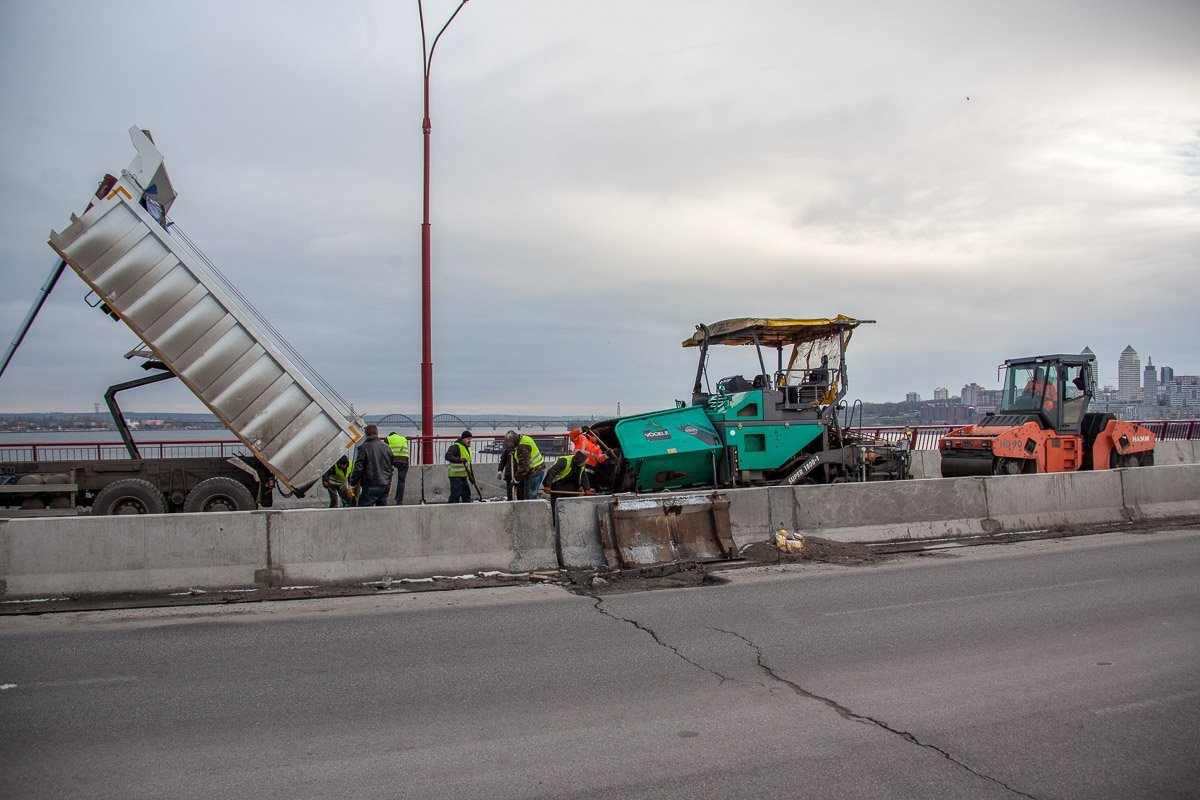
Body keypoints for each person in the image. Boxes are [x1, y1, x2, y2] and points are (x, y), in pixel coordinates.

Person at [349, 424, 394, 507]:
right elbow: (390, 468)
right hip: (385, 484)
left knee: (364, 512)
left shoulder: (363, 447)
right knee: (382, 512)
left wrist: (352, 483)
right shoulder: (387, 447)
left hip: (371, 484)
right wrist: (389, 484)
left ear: (366, 435)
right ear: (377, 434)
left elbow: (359, 468)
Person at [504, 430, 545, 500]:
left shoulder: (523, 447)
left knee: (530, 496)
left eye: (510, 444)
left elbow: (524, 468)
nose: (510, 446)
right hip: (536, 469)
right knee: (528, 494)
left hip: (534, 472)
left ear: (514, 441)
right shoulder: (524, 438)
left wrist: (516, 480)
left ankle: (530, 510)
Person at [446, 430, 476, 503]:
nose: (470, 441)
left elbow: (468, 463)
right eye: (468, 439)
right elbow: (448, 456)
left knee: (466, 494)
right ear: (463, 439)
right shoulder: (456, 447)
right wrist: (459, 460)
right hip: (455, 475)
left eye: (470, 439)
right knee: (455, 495)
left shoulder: (468, 448)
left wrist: (471, 476)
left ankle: (467, 510)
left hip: (463, 476)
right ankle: (451, 510)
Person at [386, 431, 410, 505]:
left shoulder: (387, 439)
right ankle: (399, 500)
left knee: (387, 479)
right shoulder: (403, 439)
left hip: (392, 460)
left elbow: (385, 450)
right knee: (401, 480)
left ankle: (384, 497)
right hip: (404, 460)